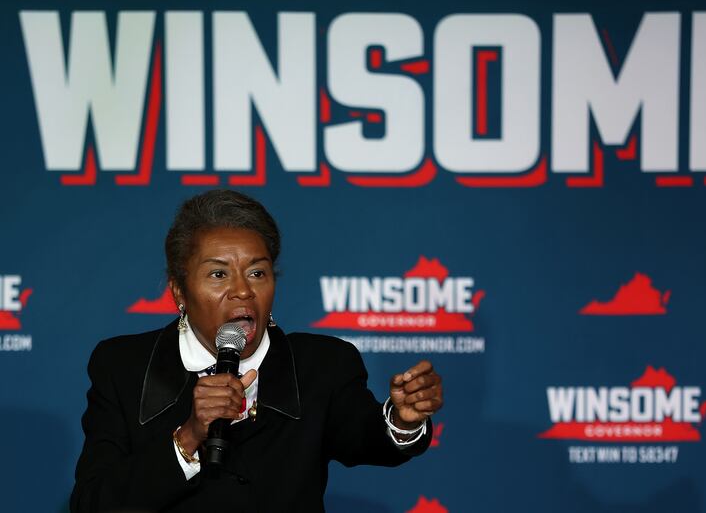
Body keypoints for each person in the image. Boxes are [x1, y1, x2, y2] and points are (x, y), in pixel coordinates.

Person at [70, 190, 443, 512]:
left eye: (257, 273)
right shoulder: (124, 367)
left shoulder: (321, 365)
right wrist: (188, 439)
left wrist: (402, 420)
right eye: (218, 274)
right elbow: (94, 503)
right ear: (179, 292)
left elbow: (367, 436)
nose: (243, 291)